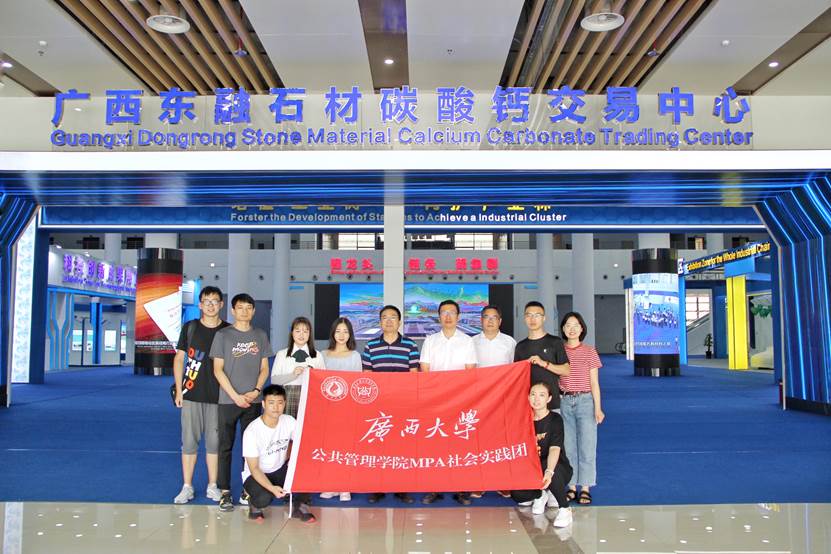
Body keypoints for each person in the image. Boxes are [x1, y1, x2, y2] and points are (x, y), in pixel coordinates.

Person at [211, 293, 273, 512]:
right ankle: (225, 491)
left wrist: (255, 391)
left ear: (253, 311)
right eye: (240, 307)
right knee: (225, 447)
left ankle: (248, 489)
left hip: (253, 401)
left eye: (248, 308)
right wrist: (235, 396)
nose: (244, 311)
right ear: (232, 310)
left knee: (251, 449)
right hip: (228, 401)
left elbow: (264, 368)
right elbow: (217, 369)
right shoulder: (223, 335)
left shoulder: (260, 335)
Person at [172, 286, 230, 504]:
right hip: (191, 394)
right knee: (189, 442)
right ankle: (187, 486)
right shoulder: (191, 328)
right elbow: (179, 359)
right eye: (207, 301)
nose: (211, 305)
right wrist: (179, 390)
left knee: (214, 443)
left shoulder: (228, 331)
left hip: (219, 397)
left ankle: (212, 485)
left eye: (215, 301)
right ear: (200, 304)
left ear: (221, 304)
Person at [419, 299, 478, 506]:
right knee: (435, 445)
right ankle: (434, 488)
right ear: (439, 317)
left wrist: (456, 394)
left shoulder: (467, 341)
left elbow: (470, 372)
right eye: (444, 312)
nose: (448, 316)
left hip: (460, 400)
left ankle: (462, 489)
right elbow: (425, 370)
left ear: (458, 316)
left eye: (452, 312)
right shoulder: (430, 341)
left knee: (460, 444)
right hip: (435, 401)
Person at [361, 305, 420, 505]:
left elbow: (414, 376)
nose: (388, 321)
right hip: (378, 406)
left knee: (402, 447)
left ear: (399, 322)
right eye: (384, 317)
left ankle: (402, 488)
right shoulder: (370, 346)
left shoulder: (410, 345)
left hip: (403, 404)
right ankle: (377, 487)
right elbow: (367, 376)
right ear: (380, 322)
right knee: (378, 446)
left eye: (393, 317)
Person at [242, 384, 315, 523]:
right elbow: (254, 468)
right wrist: (272, 488)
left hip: (279, 470)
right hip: (256, 474)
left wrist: (293, 459)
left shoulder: (289, 421)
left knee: (308, 466)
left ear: (284, 404)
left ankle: (300, 506)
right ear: (263, 404)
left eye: (280, 403)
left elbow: (304, 442)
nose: (276, 407)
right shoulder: (252, 431)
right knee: (263, 498)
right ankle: (252, 501)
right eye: (271, 403)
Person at [512, 382, 573, 528]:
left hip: (557, 468)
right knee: (517, 494)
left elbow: (554, 449)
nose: (536, 399)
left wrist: (549, 472)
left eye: (541, 395)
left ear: (549, 399)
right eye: (533, 394)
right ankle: (540, 494)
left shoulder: (555, 419)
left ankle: (565, 509)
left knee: (548, 466)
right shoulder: (523, 420)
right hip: (533, 469)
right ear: (528, 397)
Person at [471, 304, 516, 499]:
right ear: (480, 320)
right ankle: (479, 482)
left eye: (494, 317)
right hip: (478, 399)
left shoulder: (509, 343)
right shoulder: (471, 342)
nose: (490, 321)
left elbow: (515, 370)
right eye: (486, 317)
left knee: (501, 441)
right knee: (478, 441)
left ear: (500, 321)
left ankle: (502, 482)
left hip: (502, 398)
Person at [559, 311, 604, 506]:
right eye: (568, 325)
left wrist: (598, 408)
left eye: (575, 325)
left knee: (587, 445)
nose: (572, 329)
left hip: (585, 401)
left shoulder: (589, 351)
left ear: (582, 328)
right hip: (564, 401)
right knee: (568, 446)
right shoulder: (559, 351)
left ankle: (585, 487)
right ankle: (571, 486)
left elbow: (594, 383)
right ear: (563, 329)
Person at [319, 317, 361, 502]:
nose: (342, 335)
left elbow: (357, 383)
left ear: (350, 334)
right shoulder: (323, 354)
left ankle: (345, 486)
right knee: (329, 448)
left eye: (345, 331)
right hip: (327, 409)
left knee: (345, 447)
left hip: (347, 409)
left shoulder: (355, 356)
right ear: (333, 333)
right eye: (338, 331)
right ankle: (330, 485)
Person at [514, 301, 570, 412]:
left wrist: (543, 363)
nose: (532, 319)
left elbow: (566, 371)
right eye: (529, 315)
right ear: (525, 319)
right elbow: (516, 376)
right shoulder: (520, 346)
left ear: (544, 318)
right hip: (528, 405)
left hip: (552, 404)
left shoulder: (555, 342)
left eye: (537, 315)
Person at [271, 317, 325, 418]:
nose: (301, 335)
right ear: (292, 333)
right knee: (288, 425)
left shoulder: (318, 355)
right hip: (288, 395)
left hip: (311, 396)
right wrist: (293, 375)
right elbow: (274, 380)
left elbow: (323, 381)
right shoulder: (282, 354)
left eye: (305, 331)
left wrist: (313, 375)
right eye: (298, 331)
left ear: (309, 334)